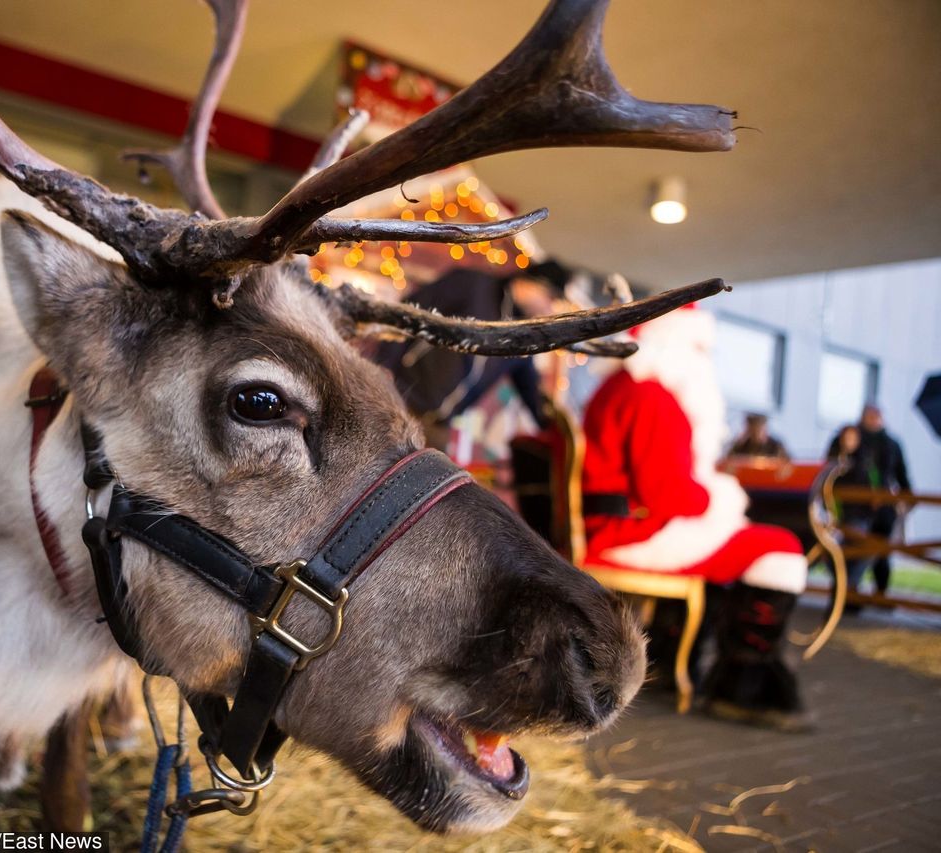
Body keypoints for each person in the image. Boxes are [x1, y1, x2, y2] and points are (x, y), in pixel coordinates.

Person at [581, 305, 812, 731]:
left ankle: (669, 659)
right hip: (632, 533)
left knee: (744, 542)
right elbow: (671, 498)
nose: (706, 359)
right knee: (781, 549)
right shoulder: (653, 396)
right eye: (701, 348)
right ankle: (745, 688)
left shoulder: (623, 386)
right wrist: (720, 496)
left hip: (616, 526)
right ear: (676, 345)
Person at [377, 264, 561, 448]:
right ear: (531, 284)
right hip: (399, 398)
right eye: (550, 297)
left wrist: (550, 424)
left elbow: (528, 385)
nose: (550, 308)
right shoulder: (474, 285)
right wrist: (384, 365)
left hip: (439, 424)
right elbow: (410, 311)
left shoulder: (522, 335)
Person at [826, 405, 912, 596]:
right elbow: (832, 465)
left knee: (878, 551)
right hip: (854, 507)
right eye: (871, 416)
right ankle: (847, 593)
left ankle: (878, 593)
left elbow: (900, 472)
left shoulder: (890, 444)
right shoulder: (852, 438)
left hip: (882, 509)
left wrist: (908, 497)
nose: (874, 420)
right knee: (851, 551)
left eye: (877, 417)